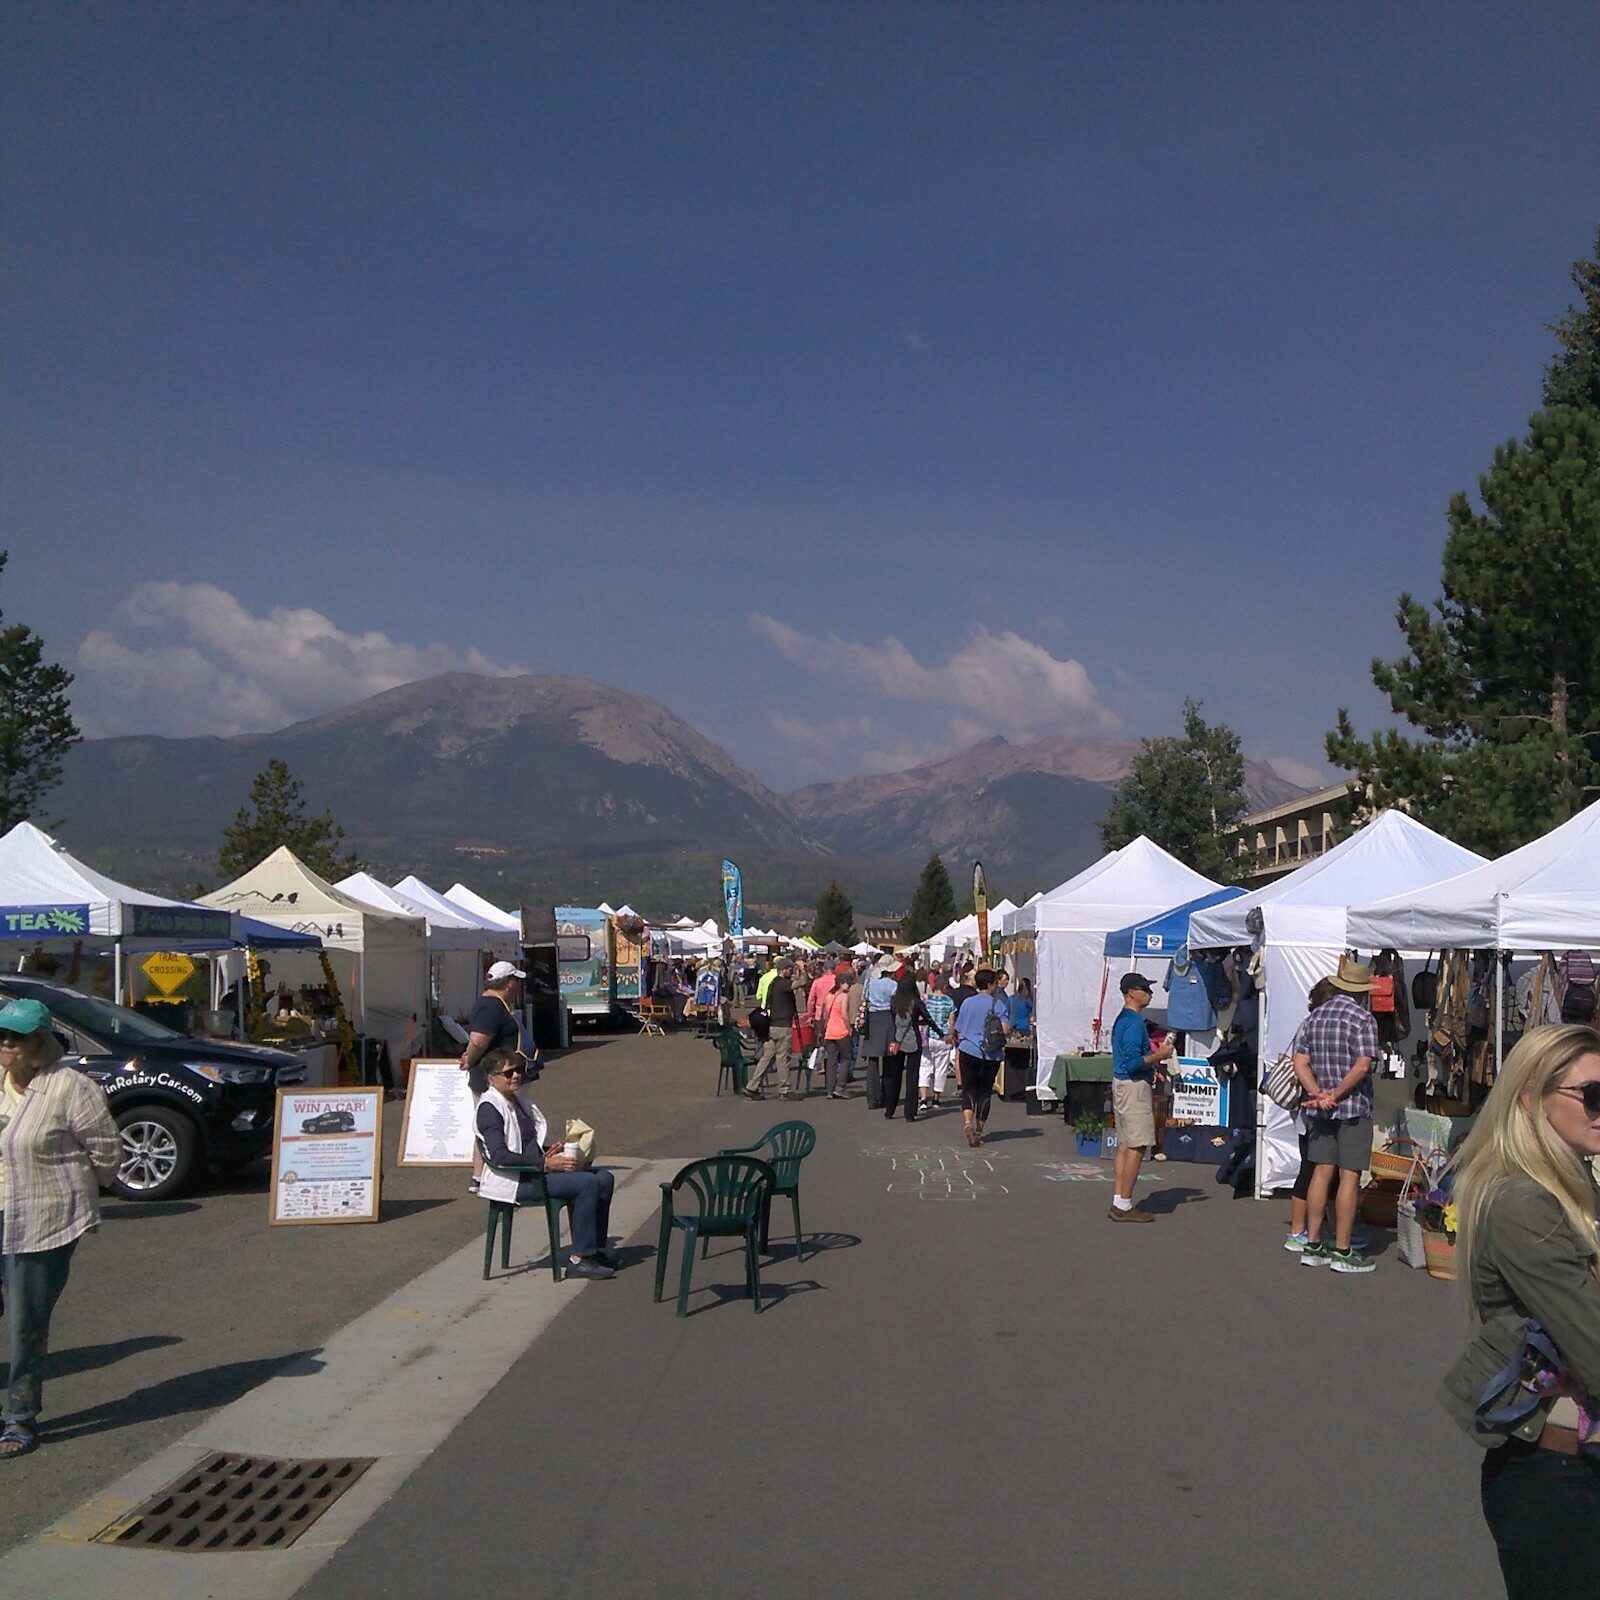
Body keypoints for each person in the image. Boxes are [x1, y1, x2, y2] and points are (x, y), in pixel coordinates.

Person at [1441, 1024, 1600, 1598]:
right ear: (1531, 1099)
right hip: (1559, 1480)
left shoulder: (1569, 1184)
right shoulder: (1525, 1205)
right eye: (1592, 1095)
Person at [0, 998, 121, 1459]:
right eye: (1, 1036)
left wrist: (86, 1189)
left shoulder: (71, 1088)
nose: (7, 1045)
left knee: (25, 1322)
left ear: (41, 1041)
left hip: (40, 1218)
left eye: (18, 1037)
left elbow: (106, 1150)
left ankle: (21, 1417)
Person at [474, 1049, 616, 1280]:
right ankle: (580, 1258)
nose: (516, 1076)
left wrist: (550, 1150)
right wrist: (545, 1163)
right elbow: (499, 1156)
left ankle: (595, 1250)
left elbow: (524, 1143)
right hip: (515, 1180)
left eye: (519, 1070)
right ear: (491, 1078)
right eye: (508, 1072)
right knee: (587, 1183)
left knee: (604, 1178)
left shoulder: (517, 1101)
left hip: (533, 1171)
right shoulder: (489, 1109)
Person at [1293, 956, 1379, 1273]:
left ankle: (1313, 1243)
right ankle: (1342, 1250)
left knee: (1320, 1172)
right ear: (1361, 990)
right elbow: (1363, 1065)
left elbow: (1299, 1062)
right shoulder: (1363, 1019)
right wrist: (1336, 1094)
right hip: (1353, 1106)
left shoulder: (1314, 1018)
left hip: (1320, 1108)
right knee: (1349, 1176)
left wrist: (1317, 1092)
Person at [1108, 972, 1174, 1222]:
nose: (1149, 993)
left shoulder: (1124, 1019)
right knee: (1136, 1145)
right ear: (1131, 992)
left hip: (1123, 1084)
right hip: (1133, 1085)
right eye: (1145, 988)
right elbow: (1134, 1062)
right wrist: (1160, 1056)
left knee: (1125, 1144)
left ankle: (1119, 1199)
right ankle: (1124, 1204)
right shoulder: (1134, 1022)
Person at [460, 961, 529, 1191]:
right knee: (494, 1125)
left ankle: (480, 1176)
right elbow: (478, 1040)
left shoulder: (494, 1004)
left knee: (498, 1124)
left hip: (500, 1074)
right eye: (516, 981)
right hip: (492, 1077)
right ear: (508, 983)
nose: (518, 985)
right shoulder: (491, 1006)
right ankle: (485, 1175)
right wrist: (469, 1057)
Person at [953, 968, 1009, 1148]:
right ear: (991, 984)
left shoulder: (968, 1003)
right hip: (990, 1054)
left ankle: (967, 1122)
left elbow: (959, 1027)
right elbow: (1006, 1029)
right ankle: (978, 1130)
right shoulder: (998, 1005)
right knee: (985, 1091)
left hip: (968, 1049)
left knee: (969, 1088)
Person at [883, 973, 941, 1123]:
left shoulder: (894, 1001)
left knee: (894, 1077)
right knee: (912, 1077)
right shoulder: (916, 1002)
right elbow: (928, 1019)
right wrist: (941, 1033)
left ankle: (890, 1109)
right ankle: (910, 1113)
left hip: (897, 1040)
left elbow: (892, 1020)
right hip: (913, 1041)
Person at [747, 957, 797, 1099]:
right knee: (783, 1057)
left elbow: (759, 996)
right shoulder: (783, 983)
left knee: (768, 1056)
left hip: (769, 1022)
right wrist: (802, 972)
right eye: (790, 969)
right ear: (784, 969)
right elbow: (798, 984)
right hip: (781, 1024)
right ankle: (784, 1089)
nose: (791, 971)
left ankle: (752, 1086)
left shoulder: (768, 980)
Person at [861, 956, 898, 1109]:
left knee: (873, 1061)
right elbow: (896, 1004)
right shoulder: (893, 985)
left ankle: (872, 1097)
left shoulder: (871, 982)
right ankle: (887, 1096)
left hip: (873, 1018)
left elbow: (865, 998)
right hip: (888, 1018)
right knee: (890, 1060)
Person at [919, 970, 957, 1112]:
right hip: (943, 1038)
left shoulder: (925, 998)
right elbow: (951, 1022)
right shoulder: (949, 1001)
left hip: (927, 1038)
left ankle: (923, 1099)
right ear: (945, 986)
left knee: (924, 1067)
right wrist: (951, 1037)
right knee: (940, 1069)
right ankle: (936, 1099)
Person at [823, 976, 856, 1098]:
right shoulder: (843, 996)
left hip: (830, 1032)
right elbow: (844, 1015)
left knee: (831, 1062)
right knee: (845, 1059)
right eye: (848, 984)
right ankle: (840, 1087)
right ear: (842, 983)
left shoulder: (829, 995)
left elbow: (825, 1013)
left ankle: (829, 1090)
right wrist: (849, 1028)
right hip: (841, 1032)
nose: (849, 987)